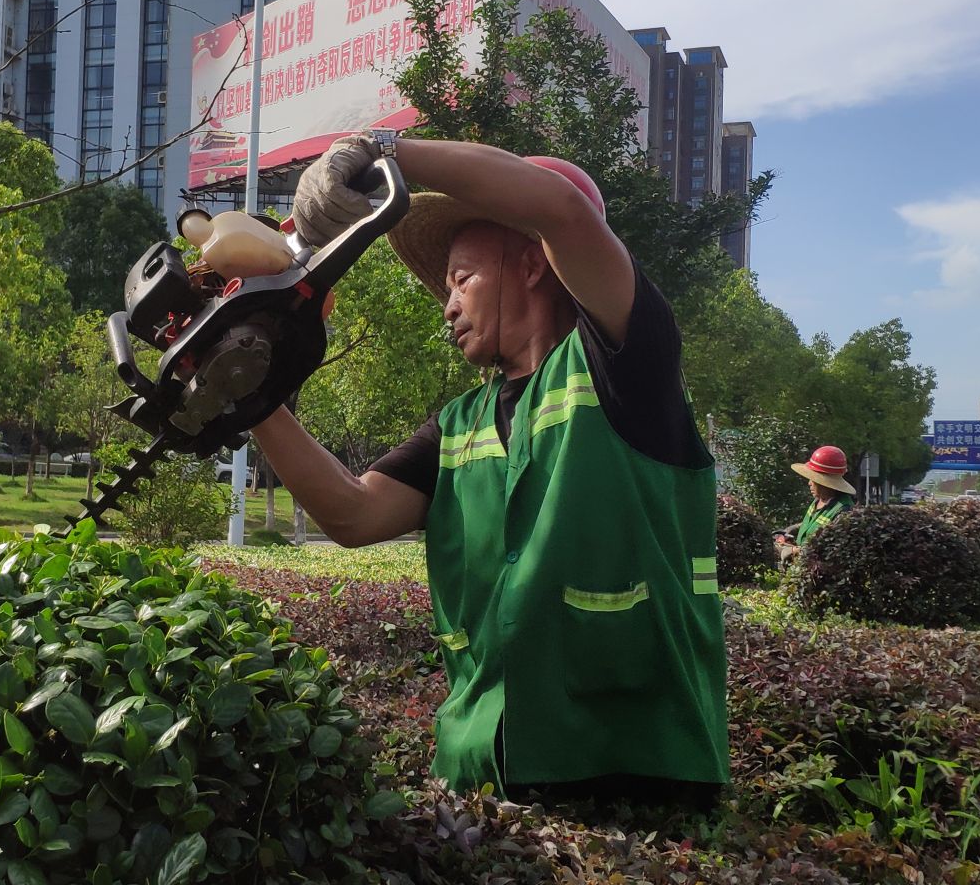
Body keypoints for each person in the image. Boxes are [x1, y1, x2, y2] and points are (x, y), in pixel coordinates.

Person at [251, 132, 727, 807]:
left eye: (462, 279)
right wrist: (252, 397)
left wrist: (383, 152)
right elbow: (352, 515)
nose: (447, 306)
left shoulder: (624, 364)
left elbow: (561, 210)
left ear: (533, 263)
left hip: (631, 765)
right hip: (483, 770)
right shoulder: (457, 425)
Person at [773, 445, 858, 564]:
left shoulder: (843, 510)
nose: (809, 483)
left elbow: (829, 551)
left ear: (825, 482)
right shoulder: (819, 500)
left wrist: (793, 551)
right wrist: (792, 531)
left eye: (813, 479)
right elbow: (816, 523)